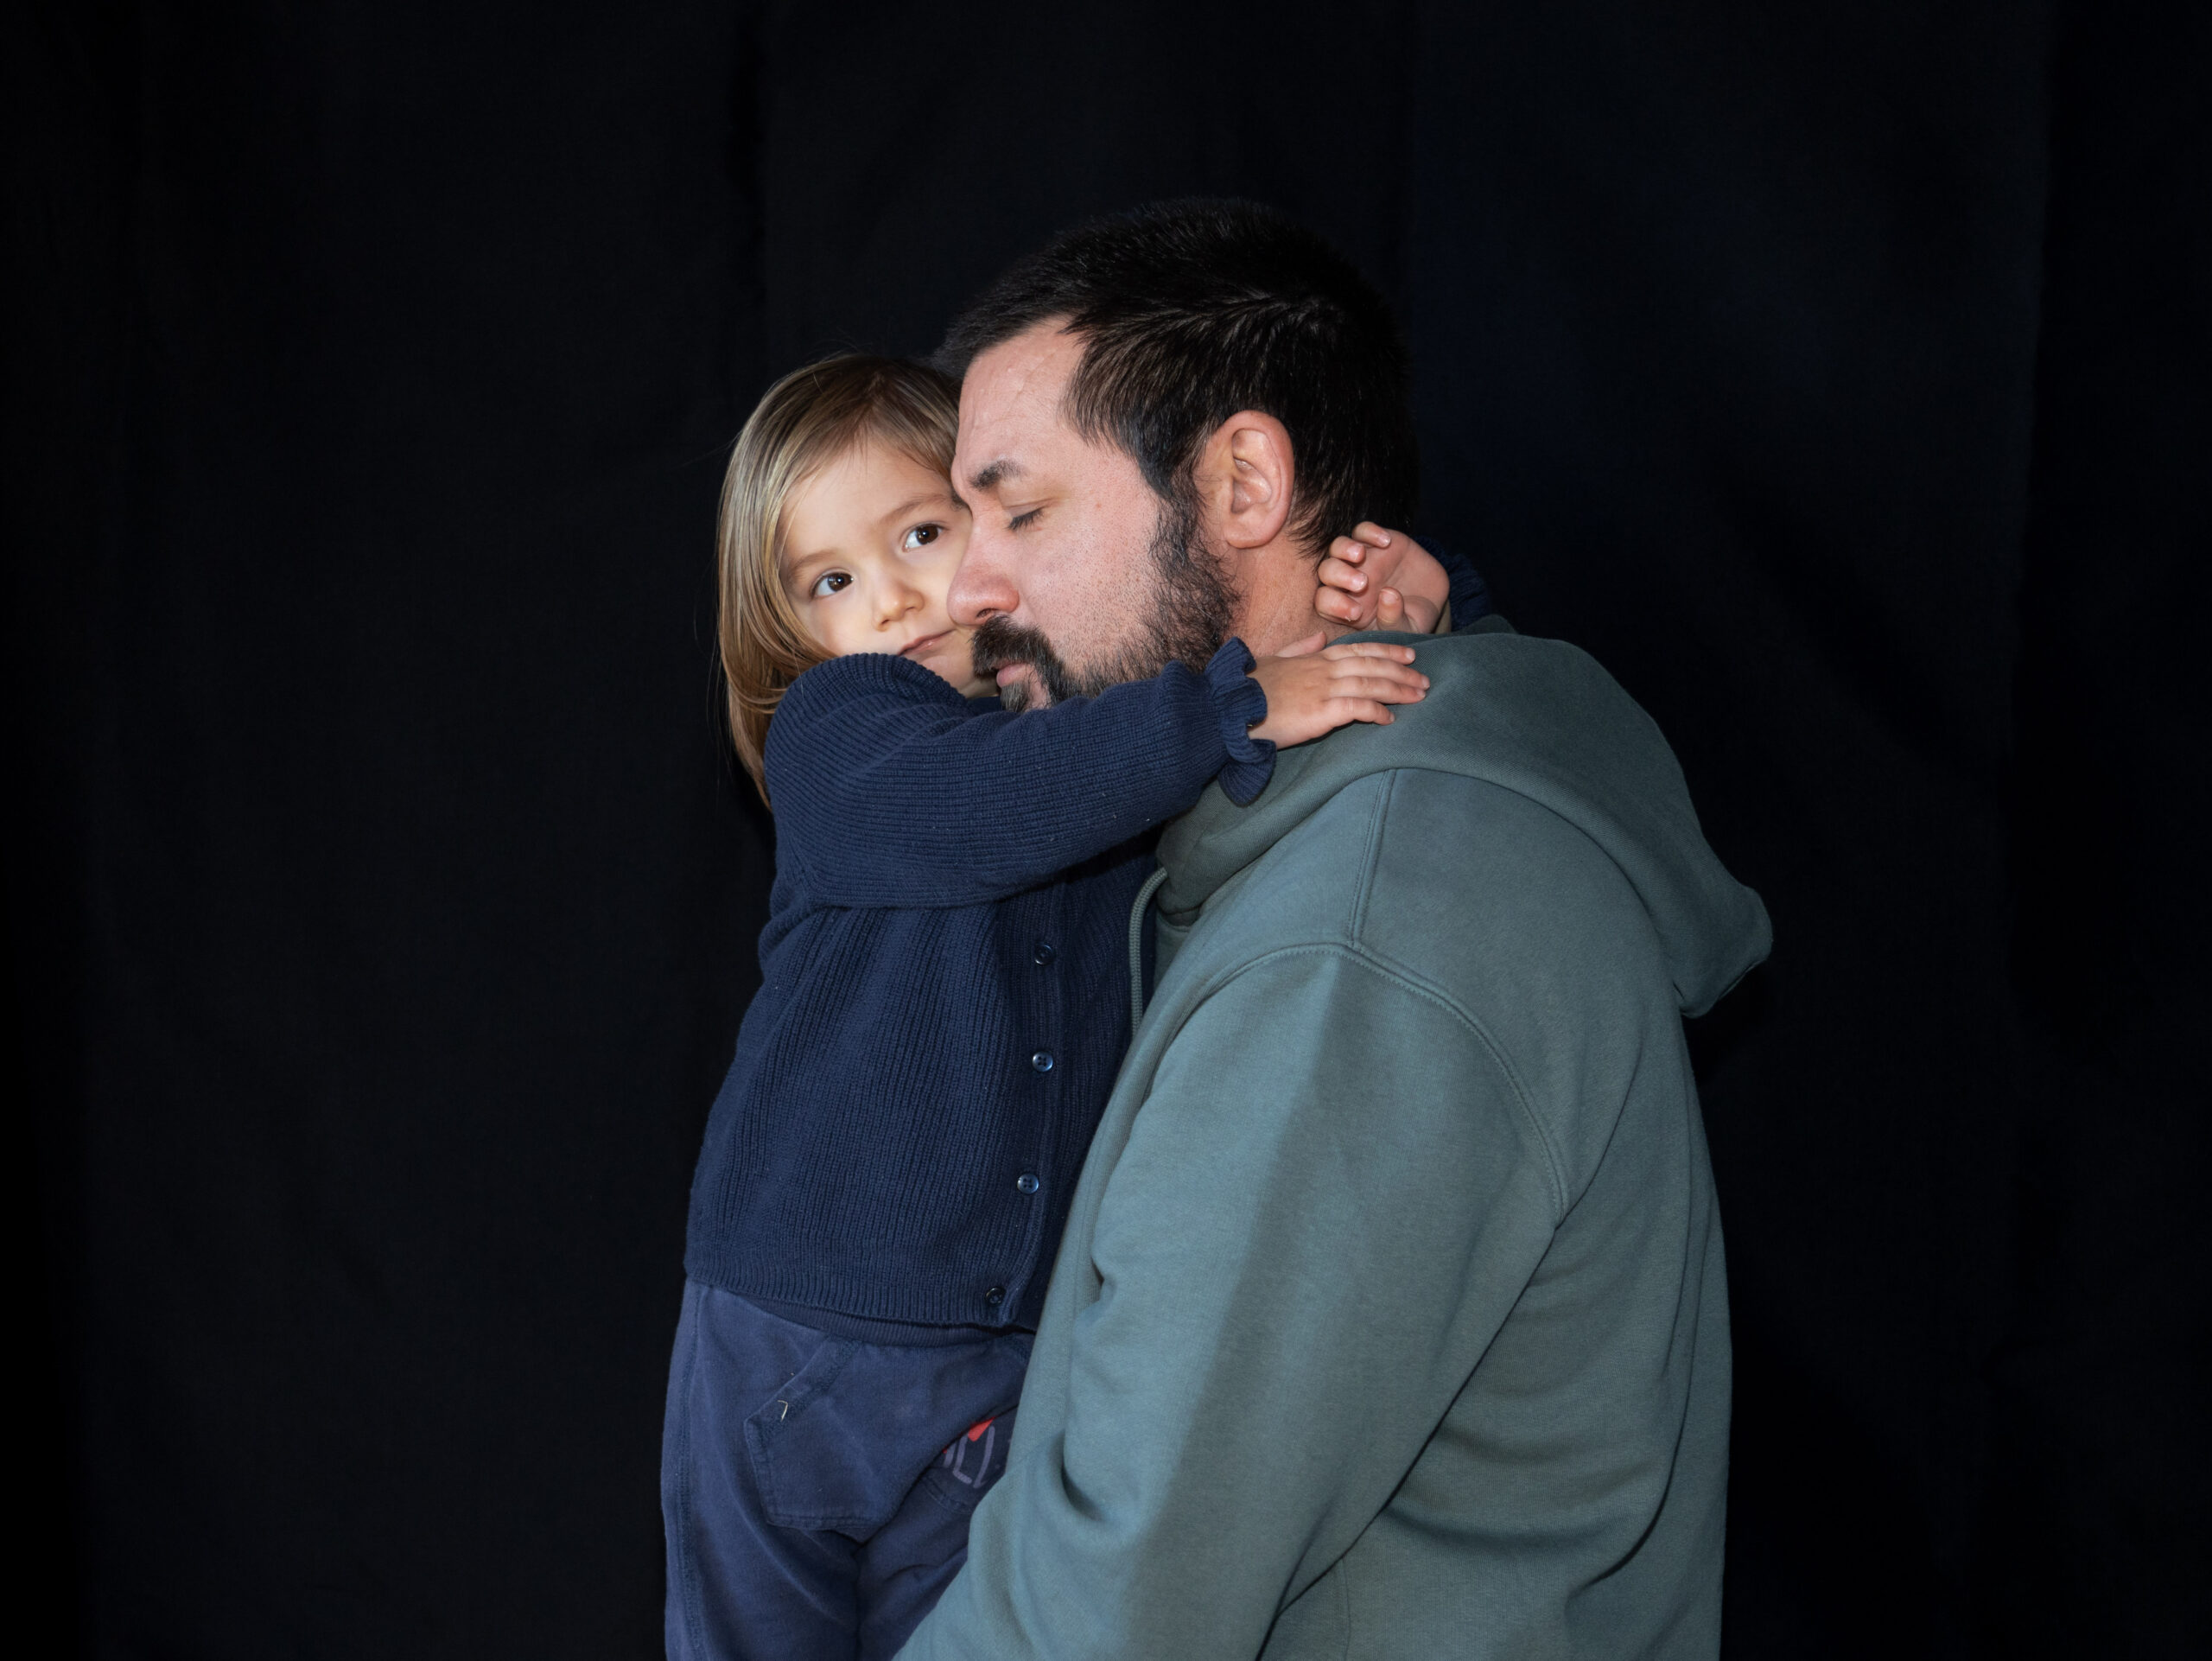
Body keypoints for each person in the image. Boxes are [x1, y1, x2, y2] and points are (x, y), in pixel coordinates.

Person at [896, 200, 1772, 1659]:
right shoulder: (1352, 850)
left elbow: (1104, 1612)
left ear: (1243, 480)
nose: (968, 589)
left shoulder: (1367, 937)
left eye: (1021, 508)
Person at [663, 349, 1465, 1661]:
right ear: (790, 631)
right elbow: (992, 804)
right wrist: (1231, 705)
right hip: (792, 1334)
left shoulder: (1106, 735)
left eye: (923, 531)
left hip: (992, 1369)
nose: (898, 600)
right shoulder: (837, 735)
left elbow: (1275, 713)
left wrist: (1413, 606)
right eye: (831, 582)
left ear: (996, 526)